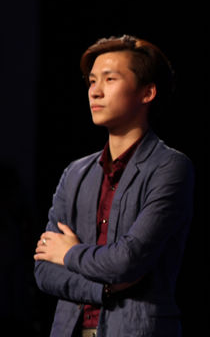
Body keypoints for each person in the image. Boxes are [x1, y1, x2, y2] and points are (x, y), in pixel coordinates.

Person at [33, 35, 195, 336]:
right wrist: (104, 289)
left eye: (109, 79)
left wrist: (69, 253)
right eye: (92, 81)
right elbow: (44, 270)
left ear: (147, 92)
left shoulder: (169, 166)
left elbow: (127, 260)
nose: (95, 91)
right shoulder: (75, 172)